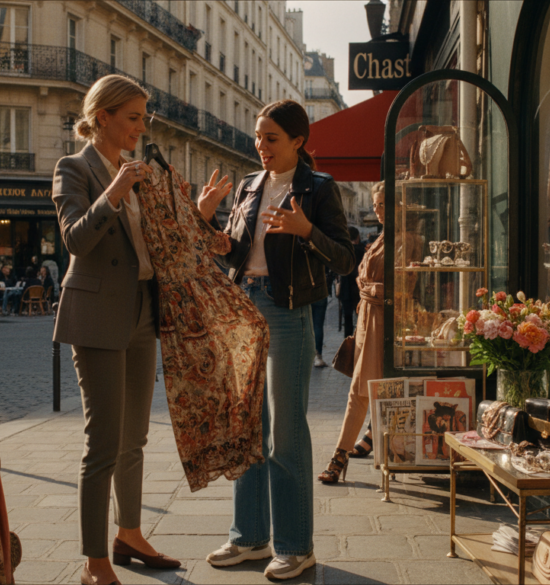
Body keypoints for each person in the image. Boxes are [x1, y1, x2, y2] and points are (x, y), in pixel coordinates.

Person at [199, 99, 355, 580]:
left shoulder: (319, 189)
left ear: (297, 142)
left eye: (270, 138)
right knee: (248, 428)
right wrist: (205, 221)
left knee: (285, 431)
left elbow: (345, 259)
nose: (260, 147)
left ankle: (295, 545)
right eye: (257, 138)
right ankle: (248, 537)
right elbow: (229, 253)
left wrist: (306, 230)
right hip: (243, 306)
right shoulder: (248, 186)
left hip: (289, 313)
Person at [51, 74, 178, 585]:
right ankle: (94, 561)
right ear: (102, 117)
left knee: (135, 438)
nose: (140, 126)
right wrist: (116, 190)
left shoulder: (138, 170)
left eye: (143, 117)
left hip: (142, 313)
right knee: (102, 441)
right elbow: (76, 241)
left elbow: (151, 244)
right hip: (97, 316)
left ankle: (129, 534)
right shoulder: (73, 168)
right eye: (132, 117)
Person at [318, 182, 387, 483]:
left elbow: (406, 285)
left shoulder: (405, 237)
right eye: (374, 202)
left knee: (359, 392)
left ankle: (339, 456)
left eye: (382, 202)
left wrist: (368, 289)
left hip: (383, 322)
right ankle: (369, 436)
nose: (376, 208)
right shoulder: (385, 236)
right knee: (365, 389)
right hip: (368, 320)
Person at [338, 227, 366, 337]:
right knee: (361, 316)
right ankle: (361, 339)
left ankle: (348, 341)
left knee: (348, 318)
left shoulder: (343, 251)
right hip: (359, 288)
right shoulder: (363, 250)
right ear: (358, 237)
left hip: (346, 288)